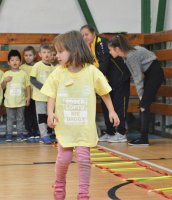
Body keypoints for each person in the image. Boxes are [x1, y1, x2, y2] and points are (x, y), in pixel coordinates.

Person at [41, 30, 120, 200]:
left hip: (84, 127)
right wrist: (50, 113)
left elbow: (104, 91)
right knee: (64, 158)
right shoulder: (58, 72)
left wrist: (112, 111)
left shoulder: (91, 71)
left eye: (61, 52)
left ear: (75, 50)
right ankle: (59, 184)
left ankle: (83, 194)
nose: (57, 56)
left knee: (84, 160)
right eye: (56, 52)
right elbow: (51, 94)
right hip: (66, 126)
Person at [108, 34, 165, 145]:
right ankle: (143, 138)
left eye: (110, 50)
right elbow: (135, 74)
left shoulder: (131, 55)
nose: (110, 52)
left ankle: (144, 139)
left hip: (155, 74)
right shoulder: (125, 56)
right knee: (143, 105)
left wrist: (140, 95)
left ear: (117, 49)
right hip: (150, 74)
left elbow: (137, 77)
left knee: (143, 105)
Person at [80, 24, 131, 143]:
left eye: (86, 34)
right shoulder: (88, 47)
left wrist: (96, 79)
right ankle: (110, 132)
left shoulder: (102, 42)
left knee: (119, 104)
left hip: (119, 78)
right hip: (106, 80)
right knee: (106, 106)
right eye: (82, 35)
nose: (85, 37)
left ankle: (121, 132)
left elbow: (104, 62)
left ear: (93, 33)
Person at [1, 50, 31, 142]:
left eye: (17, 60)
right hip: (9, 102)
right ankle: (9, 135)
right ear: (8, 62)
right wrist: (5, 81)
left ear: (20, 62)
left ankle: (20, 134)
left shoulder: (23, 74)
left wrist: (28, 97)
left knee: (20, 119)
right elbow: (2, 87)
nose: (15, 62)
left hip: (21, 101)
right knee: (9, 119)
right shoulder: (5, 74)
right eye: (12, 60)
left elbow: (27, 86)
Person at [30, 44, 55, 144]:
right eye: (44, 52)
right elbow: (32, 79)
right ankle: (43, 135)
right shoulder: (37, 65)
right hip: (39, 97)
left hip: (50, 97)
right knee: (41, 116)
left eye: (49, 52)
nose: (47, 55)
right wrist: (43, 87)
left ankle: (49, 133)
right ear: (40, 54)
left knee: (50, 116)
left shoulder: (53, 68)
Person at [20, 46, 40, 142]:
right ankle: (29, 132)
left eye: (30, 55)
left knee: (35, 114)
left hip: (36, 95)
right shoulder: (21, 67)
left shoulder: (38, 66)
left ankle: (36, 131)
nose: (28, 57)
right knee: (27, 114)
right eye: (26, 55)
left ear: (34, 56)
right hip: (25, 95)